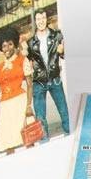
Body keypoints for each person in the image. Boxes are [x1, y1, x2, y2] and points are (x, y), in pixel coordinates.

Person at [0, 27, 32, 153]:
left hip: (21, 103)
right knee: (9, 146)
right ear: (1, 48)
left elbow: (30, 85)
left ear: (15, 45)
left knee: (28, 140)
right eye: (4, 46)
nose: (7, 48)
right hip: (6, 107)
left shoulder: (22, 60)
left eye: (10, 44)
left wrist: (29, 106)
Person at [26, 9, 70, 139]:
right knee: (40, 116)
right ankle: (44, 140)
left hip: (55, 79)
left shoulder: (57, 36)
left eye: (43, 18)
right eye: (38, 19)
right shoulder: (30, 42)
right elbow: (28, 62)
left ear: (47, 19)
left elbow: (65, 56)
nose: (41, 21)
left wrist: (63, 51)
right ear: (35, 21)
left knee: (64, 111)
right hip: (38, 82)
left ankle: (70, 133)